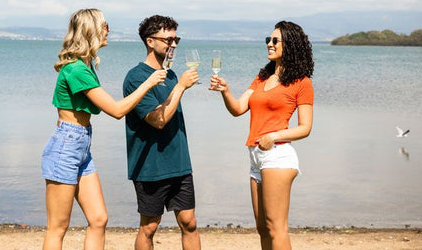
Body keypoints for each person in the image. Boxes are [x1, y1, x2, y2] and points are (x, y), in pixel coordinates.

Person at [41, 8, 166, 250]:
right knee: (58, 227)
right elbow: (117, 110)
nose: (108, 30)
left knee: (99, 219)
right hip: (66, 145)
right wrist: (148, 83)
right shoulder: (76, 69)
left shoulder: (85, 67)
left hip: (81, 145)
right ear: (91, 30)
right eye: (105, 25)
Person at [210, 21, 314, 250]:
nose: (269, 43)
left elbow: (305, 128)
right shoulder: (262, 78)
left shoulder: (302, 82)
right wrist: (225, 91)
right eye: (268, 39)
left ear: (291, 45)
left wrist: (274, 136)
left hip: (277, 156)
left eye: (275, 40)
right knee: (262, 228)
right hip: (255, 157)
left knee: (276, 227)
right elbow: (238, 108)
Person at [123, 15, 201, 250]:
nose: (174, 44)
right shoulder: (136, 77)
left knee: (189, 222)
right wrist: (180, 87)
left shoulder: (172, 74)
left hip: (179, 161)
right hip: (150, 166)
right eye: (168, 39)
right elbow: (158, 120)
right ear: (150, 41)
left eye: (176, 39)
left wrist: (178, 85)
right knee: (149, 226)